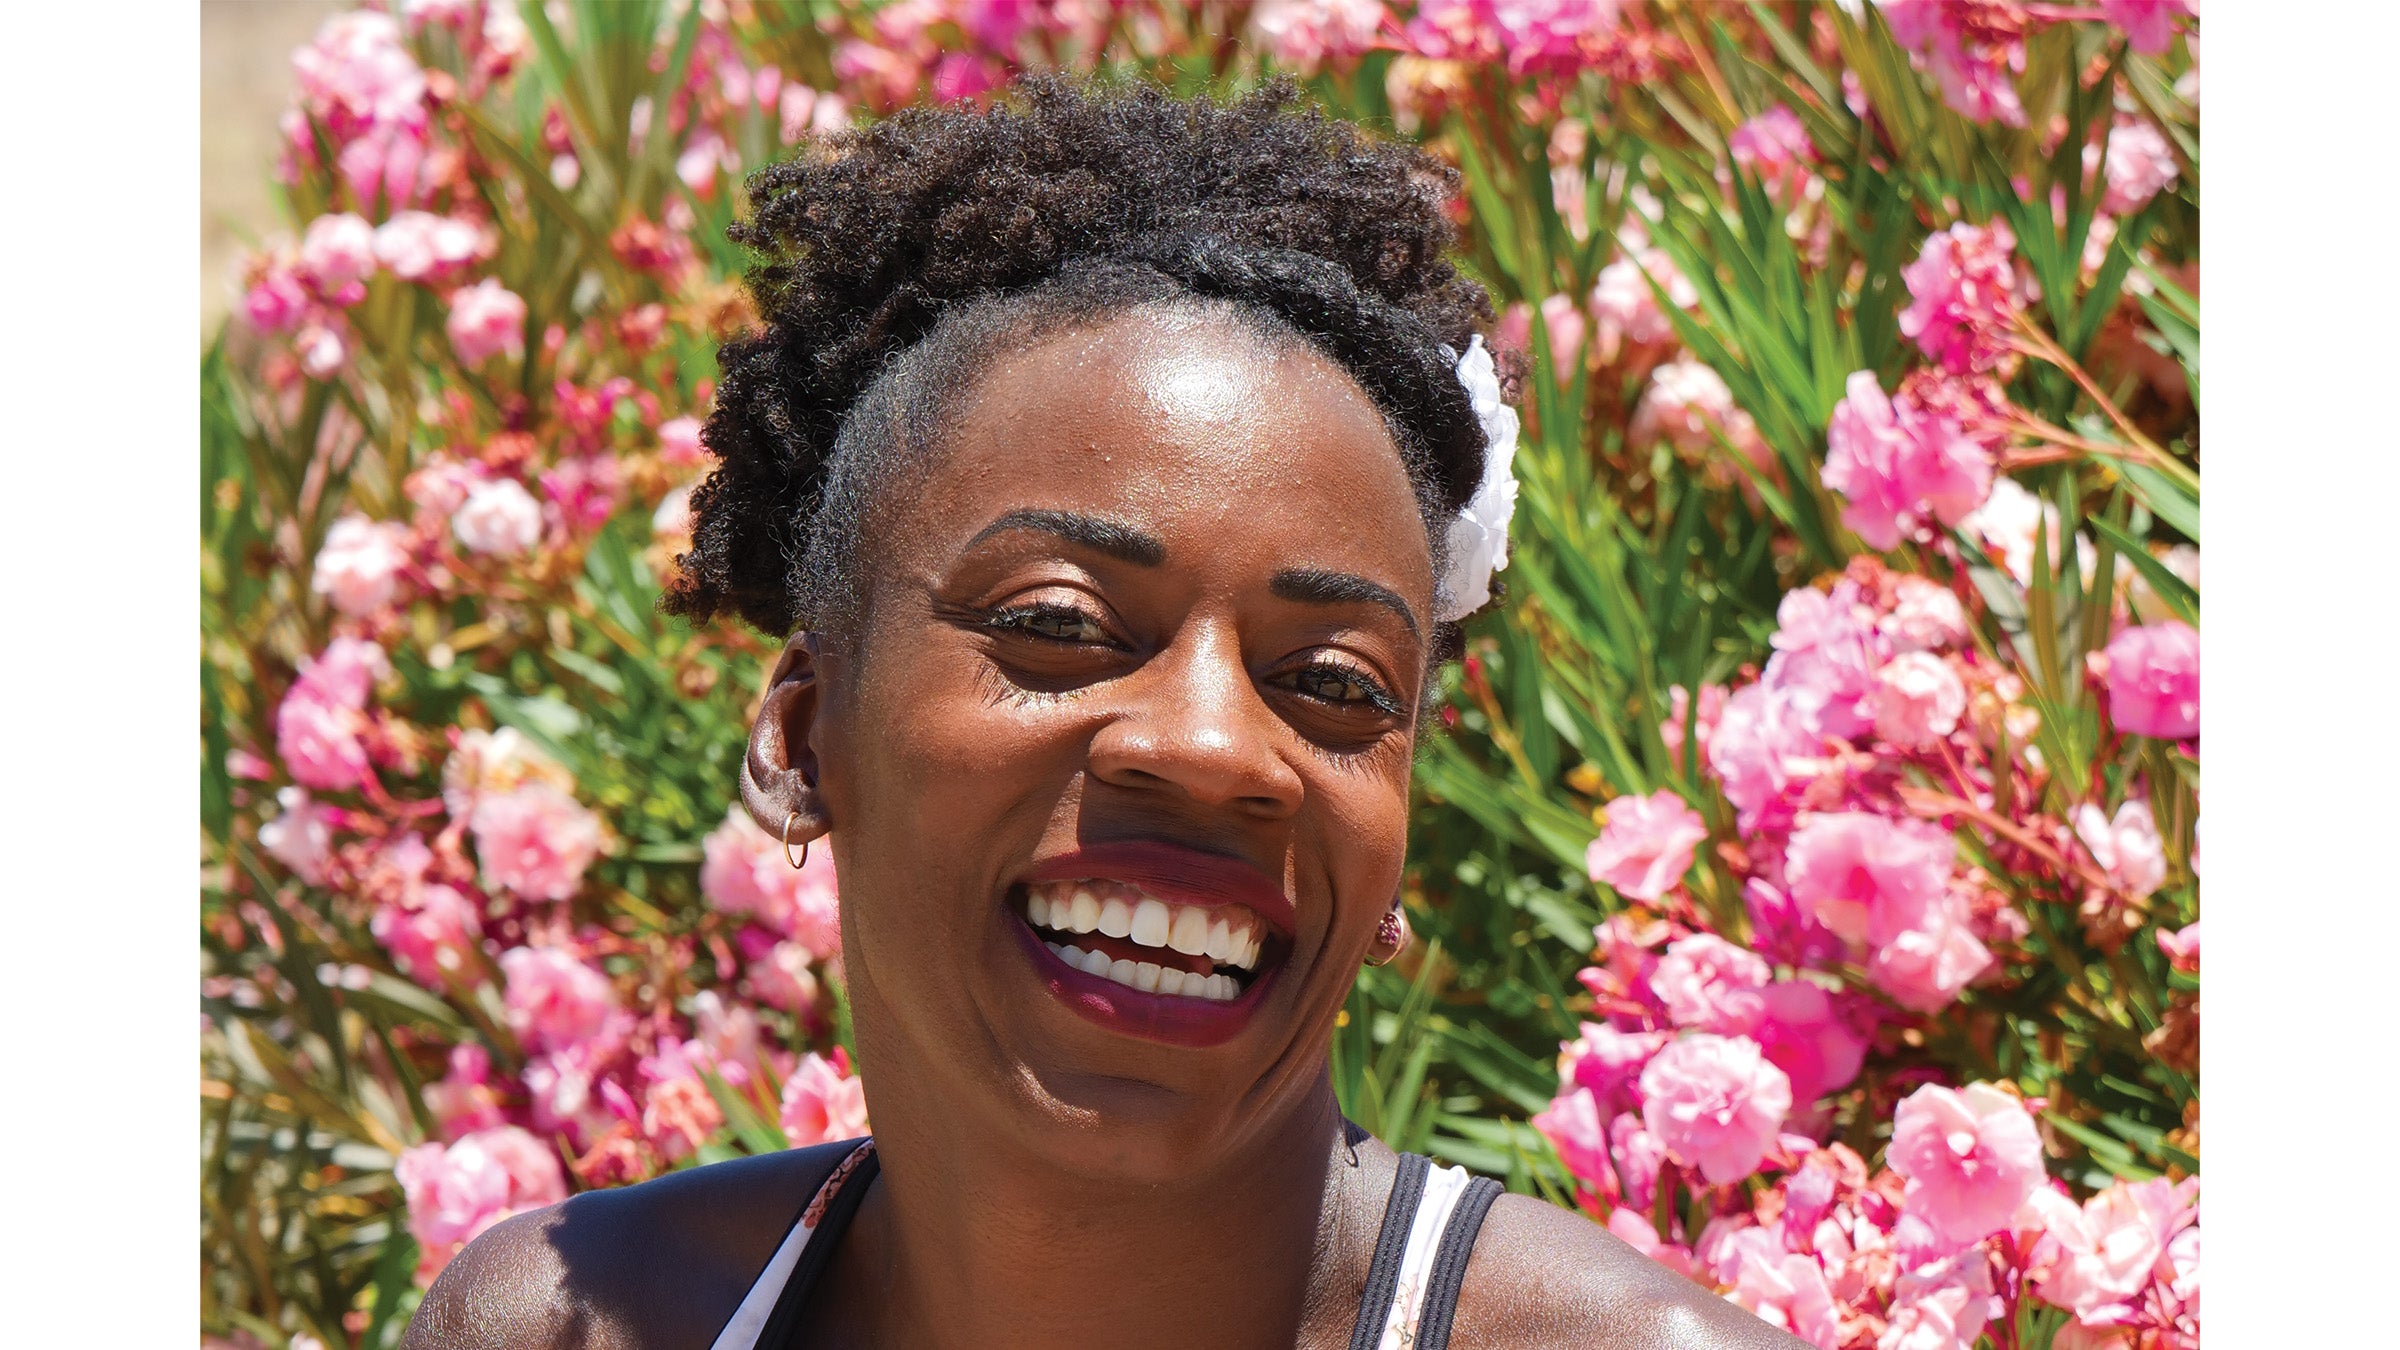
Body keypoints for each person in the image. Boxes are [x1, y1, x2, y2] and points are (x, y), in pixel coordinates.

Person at [404, 77, 1802, 1350]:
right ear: (800, 738)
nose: (1208, 745)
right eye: (1061, 627)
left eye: (1335, 686)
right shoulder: (560, 1327)